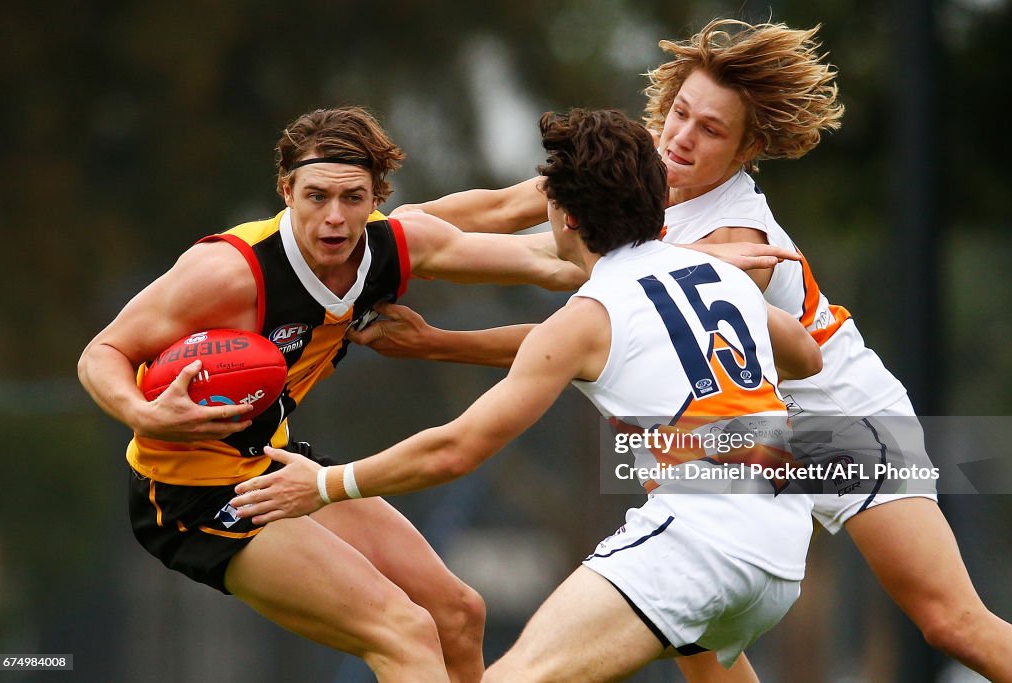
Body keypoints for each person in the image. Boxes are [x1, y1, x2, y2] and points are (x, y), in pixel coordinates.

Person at [371, 19, 1012, 681]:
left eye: (710, 129)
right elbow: (501, 211)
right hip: (746, 435)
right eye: (680, 113)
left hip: (844, 423)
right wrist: (375, 233)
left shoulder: (739, 237)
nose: (681, 137)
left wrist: (436, 339)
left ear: (747, 148)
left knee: (950, 621)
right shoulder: (631, 170)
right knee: (695, 627)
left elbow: (575, 331)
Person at [230, 108, 825, 681]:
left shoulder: (590, 315)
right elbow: (804, 355)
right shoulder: (722, 278)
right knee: (703, 656)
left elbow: (456, 450)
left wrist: (327, 485)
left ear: (563, 216)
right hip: (780, 548)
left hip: (702, 540)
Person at [77, 105, 607, 683]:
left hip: (271, 464)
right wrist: (145, 412)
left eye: (353, 198)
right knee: (402, 631)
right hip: (190, 494)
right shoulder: (228, 272)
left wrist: (685, 245)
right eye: (316, 196)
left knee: (456, 614)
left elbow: (555, 262)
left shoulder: (389, 250)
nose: (334, 218)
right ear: (286, 191)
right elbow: (101, 353)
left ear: (377, 196)